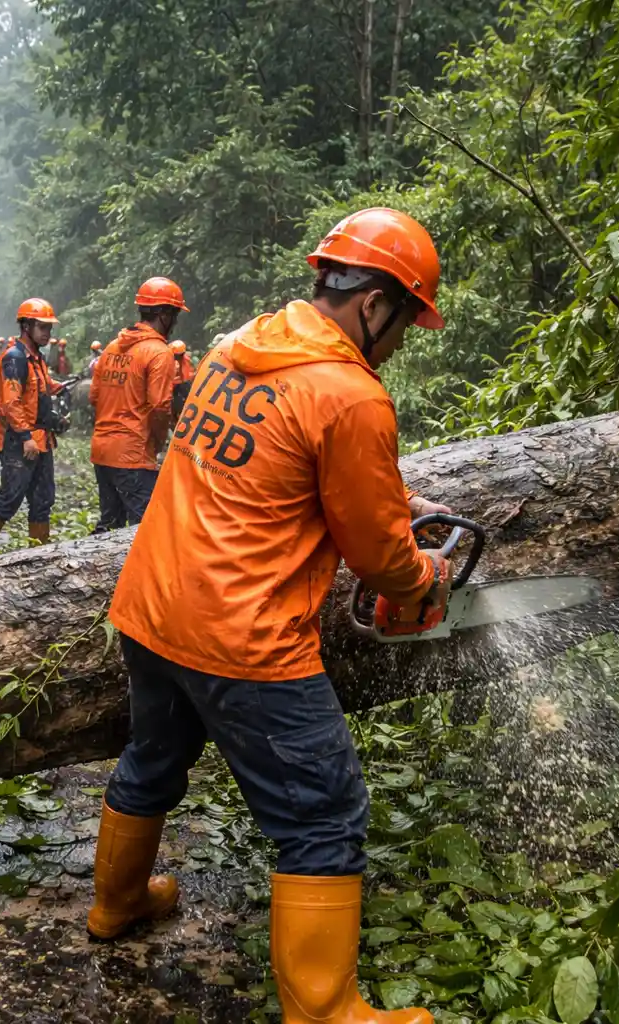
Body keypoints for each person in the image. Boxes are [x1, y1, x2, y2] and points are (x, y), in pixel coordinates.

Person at [85, 209, 451, 1024]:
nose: (397, 346)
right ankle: (324, 1010)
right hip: (243, 636)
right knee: (324, 815)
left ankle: (117, 904)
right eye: (404, 326)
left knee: (154, 755)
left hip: (152, 603)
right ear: (377, 304)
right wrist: (423, 571)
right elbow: (383, 564)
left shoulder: (241, 342)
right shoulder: (350, 393)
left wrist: (392, 497)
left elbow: (261, 470)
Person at [89, 277, 184, 533]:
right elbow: (160, 407)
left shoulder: (111, 347)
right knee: (147, 531)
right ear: (163, 314)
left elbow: (94, 396)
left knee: (110, 525)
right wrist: (158, 441)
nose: (175, 322)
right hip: (133, 455)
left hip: (102, 450)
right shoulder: (159, 352)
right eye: (174, 314)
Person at [0, 298, 64, 554]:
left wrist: (60, 386)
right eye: (42, 327)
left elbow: (40, 386)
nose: (47, 333)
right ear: (26, 326)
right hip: (18, 440)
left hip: (41, 439)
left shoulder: (36, 358)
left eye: (49, 328)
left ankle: (39, 555)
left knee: (43, 499)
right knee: (10, 497)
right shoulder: (15, 358)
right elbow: (11, 403)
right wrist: (25, 437)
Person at [168, 339, 196, 420]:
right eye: (176, 355)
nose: (178, 357)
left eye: (180, 355)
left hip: (181, 386)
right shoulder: (165, 360)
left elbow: (186, 376)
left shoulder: (185, 360)